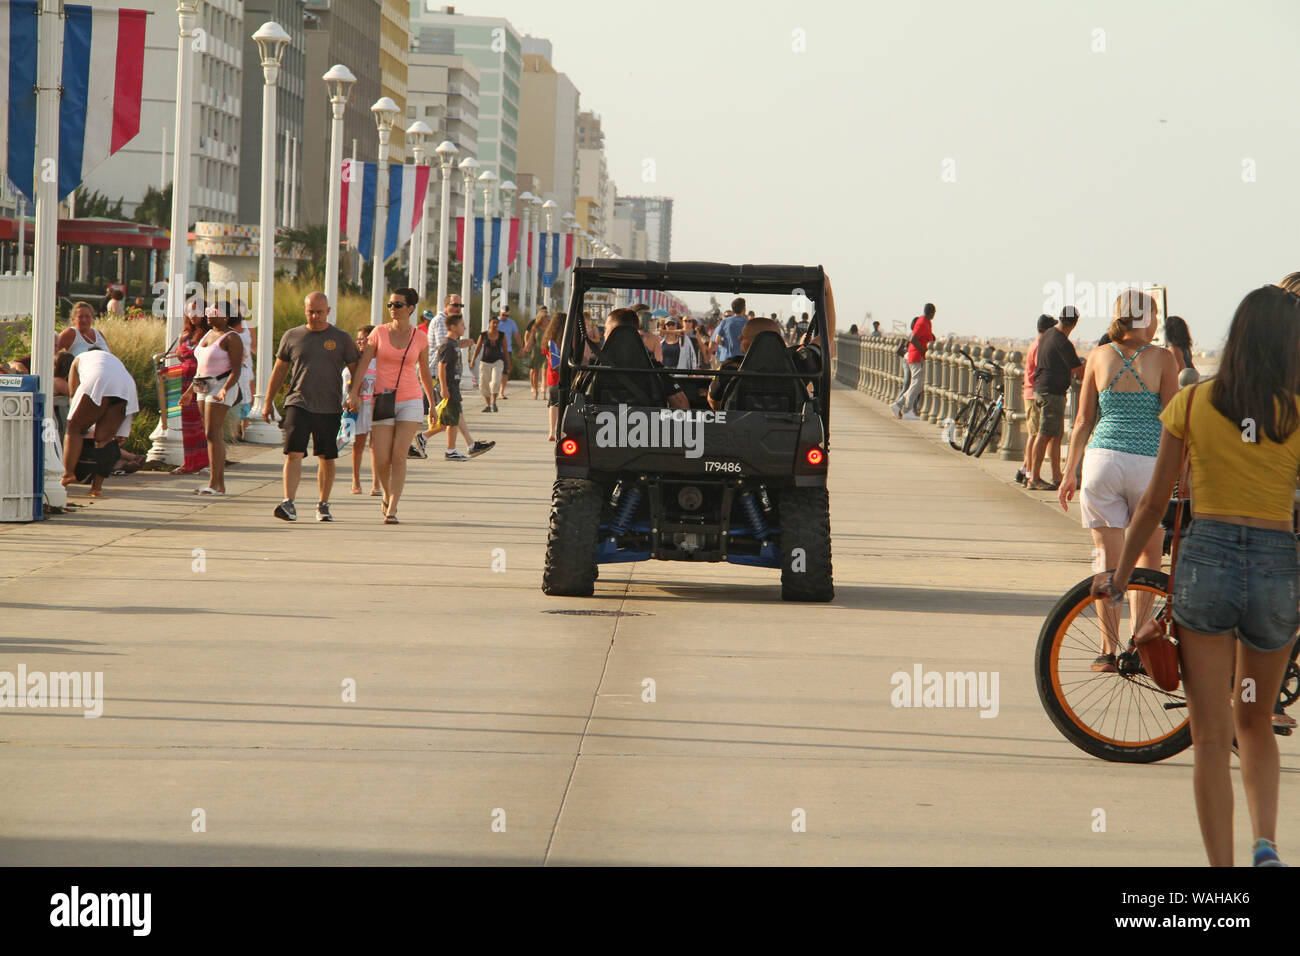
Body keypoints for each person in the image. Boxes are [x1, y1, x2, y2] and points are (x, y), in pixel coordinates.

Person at [1095, 285, 1300, 867]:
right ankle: (1266, 843)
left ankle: (1222, 878)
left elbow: (1155, 502)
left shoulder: (1193, 402)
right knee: (1255, 719)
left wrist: (1119, 574)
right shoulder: (1296, 411)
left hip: (1208, 564)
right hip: (1273, 565)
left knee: (1210, 736)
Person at [1058, 291, 1177, 671]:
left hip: (1101, 463)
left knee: (1105, 560)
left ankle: (1106, 650)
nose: (1157, 323)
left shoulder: (1098, 355)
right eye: (1155, 316)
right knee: (1148, 556)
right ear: (1144, 319)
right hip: (1148, 466)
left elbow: (1082, 421)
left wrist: (1068, 473)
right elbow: (1174, 421)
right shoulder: (1163, 358)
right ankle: (1140, 642)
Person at [263, 292, 360, 521]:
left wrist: (354, 394)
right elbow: (279, 371)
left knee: (326, 457)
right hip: (298, 402)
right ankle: (289, 503)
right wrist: (268, 402)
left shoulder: (341, 338)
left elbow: (356, 369)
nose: (315, 316)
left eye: (319, 311)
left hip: (329, 405)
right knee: (293, 452)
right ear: (304, 310)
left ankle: (323, 504)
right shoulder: (292, 336)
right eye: (310, 311)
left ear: (328, 310)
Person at [345, 287, 433, 524]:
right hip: (382, 399)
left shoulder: (420, 337)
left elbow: (424, 371)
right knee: (381, 458)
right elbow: (364, 363)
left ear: (410, 308)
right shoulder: (379, 333)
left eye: (398, 305)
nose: (392, 309)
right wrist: (354, 391)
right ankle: (386, 493)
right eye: (390, 305)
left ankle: (393, 507)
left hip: (411, 399)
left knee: (399, 455)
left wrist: (432, 403)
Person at [181, 300, 244, 495]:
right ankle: (216, 484)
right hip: (202, 385)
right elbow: (200, 367)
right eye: (208, 311)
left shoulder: (232, 338)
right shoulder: (208, 334)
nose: (208, 314)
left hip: (221, 385)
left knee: (212, 433)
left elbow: (236, 370)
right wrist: (190, 390)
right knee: (209, 433)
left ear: (225, 316)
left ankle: (216, 484)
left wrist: (225, 389)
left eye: (213, 311)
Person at [60, 348, 138, 492]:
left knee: (74, 429)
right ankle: (97, 487)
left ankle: (68, 474)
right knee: (104, 439)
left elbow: (73, 391)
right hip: (126, 386)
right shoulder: (112, 359)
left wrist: (79, 416)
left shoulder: (79, 357)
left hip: (99, 379)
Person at [423, 312, 495, 462]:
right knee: (451, 421)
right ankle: (450, 450)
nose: (465, 327)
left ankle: (466, 445)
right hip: (449, 387)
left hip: (453, 386)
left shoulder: (453, 343)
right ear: (453, 327)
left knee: (452, 419)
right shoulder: (448, 344)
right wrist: (443, 388)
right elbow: (442, 366)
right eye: (462, 325)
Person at [1027, 305, 1083, 489]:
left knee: (1055, 435)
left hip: (1041, 388)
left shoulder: (1049, 334)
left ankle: (1056, 475)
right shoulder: (1063, 342)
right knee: (1044, 435)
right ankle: (1034, 478)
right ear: (1074, 324)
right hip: (1051, 393)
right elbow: (1078, 370)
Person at [708, 317, 784, 410]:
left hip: (736, 424)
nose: (739, 338)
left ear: (755, 342)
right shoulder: (793, 369)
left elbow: (714, 403)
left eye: (744, 336)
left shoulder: (730, 368)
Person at [1016, 315, 1055, 485]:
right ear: (1047, 329)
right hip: (1034, 394)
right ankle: (1030, 474)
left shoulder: (1034, 344)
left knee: (1034, 432)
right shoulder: (1040, 346)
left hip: (1031, 392)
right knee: (1034, 434)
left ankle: (1024, 470)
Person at [172, 306, 210, 476]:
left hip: (201, 380)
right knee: (187, 425)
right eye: (190, 311)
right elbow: (180, 356)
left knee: (202, 423)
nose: (194, 315)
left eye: (198, 311)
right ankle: (189, 462)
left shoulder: (208, 335)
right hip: (183, 380)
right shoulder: (184, 335)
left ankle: (205, 462)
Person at [344, 325, 380, 496]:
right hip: (359, 407)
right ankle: (355, 480)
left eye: (363, 339)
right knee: (358, 446)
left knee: (376, 446)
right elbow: (345, 385)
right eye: (357, 339)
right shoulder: (353, 362)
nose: (359, 342)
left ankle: (376, 483)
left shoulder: (379, 361)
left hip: (376, 407)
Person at [890, 303, 936, 420]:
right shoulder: (922, 322)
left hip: (917, 357)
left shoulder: (926, 322)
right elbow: (913, 338)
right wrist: (923, 350)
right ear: (931, 312)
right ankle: (907, 410)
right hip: (916, 356)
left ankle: (898, 405)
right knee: (916, 384)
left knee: (918, 385)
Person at [472, 316, 508, 413]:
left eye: (497, 323)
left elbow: (505, 350)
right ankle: (488, 405)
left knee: (496, 381)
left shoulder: (501, 335)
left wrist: (508, 363)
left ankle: (494, 402)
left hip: (498, 361)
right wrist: (472, 361)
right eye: (493, 323)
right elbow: (478, 348)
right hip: (485, 362)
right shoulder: (483, 335)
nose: (495, 325)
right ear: (490, 324)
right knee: (484, 383)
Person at [543, 311, 565, 441]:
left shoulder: (549, 339)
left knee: (553, 404)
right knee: (564, 404)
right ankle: (560, 431)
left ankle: (551, 431)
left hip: (552, 377)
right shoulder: (565, 340)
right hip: (563, 376)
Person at [495, 306, 522, 401]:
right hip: (495, 349)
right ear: (499, 313)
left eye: (507, 315)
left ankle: (501, 392)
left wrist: (521, 348)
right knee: (495, 371)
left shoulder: (511, 323)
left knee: (505, 371)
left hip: (507, 350)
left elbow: (517, 335)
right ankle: (494, 389)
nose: (505, 317)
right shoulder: (495, 322)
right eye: (503, 315)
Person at [712, 297, 748, 363]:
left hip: (727, 359)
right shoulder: (748, 323)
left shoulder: (725, 321)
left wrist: (725, 344)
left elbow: (717, 340)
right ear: (744, 309)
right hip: (743, 360)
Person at [524, 307, 548, 398]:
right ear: (541, 317)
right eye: (545, 316)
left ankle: (544, 392)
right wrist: (526, 347)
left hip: (546, 351)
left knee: (545, 371)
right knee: (535, 371)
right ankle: (535, 390)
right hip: (536, 351)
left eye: (547, 316)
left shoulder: (549, 326)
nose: (547, 318)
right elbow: (531, 339)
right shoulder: (535, 327)